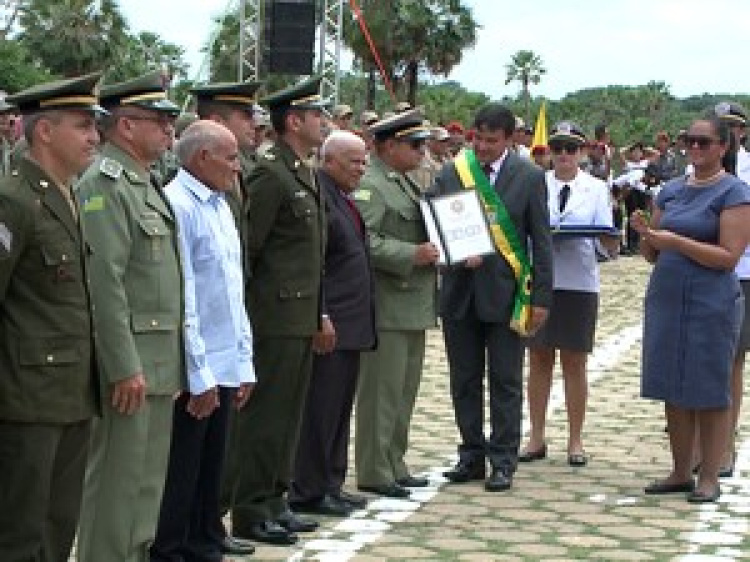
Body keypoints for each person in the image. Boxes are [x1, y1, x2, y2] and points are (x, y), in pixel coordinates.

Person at [76, 71, 185, 562]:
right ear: (125, 127)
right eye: (159, 121)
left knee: (144, 490)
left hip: (158, 361)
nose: (169, 130)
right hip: (133, 364)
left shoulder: (145, 182)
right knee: (115, 493)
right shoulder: (105, 183)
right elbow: (105, 281)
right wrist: (122, 364)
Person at [0, 73, 102, 562]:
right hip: (24, 400)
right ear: (44, 131)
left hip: (70, 390)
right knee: (20, 532)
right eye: (83, 126)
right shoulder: (14, 200)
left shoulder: (67, 194)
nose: (94, 137)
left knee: (58, 527)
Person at [225, 76, 327, 547]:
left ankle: (274, 498)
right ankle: (250, 508)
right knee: (264, 418)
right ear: (294, 121)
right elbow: (251, 250)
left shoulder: (301, 170)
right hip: (273, 316)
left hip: (299, 315)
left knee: (287, 415)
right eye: (316, 115)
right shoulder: (270, 173)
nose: (323, 122)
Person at [150, 120, 256, 562]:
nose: (238, 166)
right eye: (230, 157)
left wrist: (243, 363)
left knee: (212, 464)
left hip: (224, 357)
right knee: (183, 468)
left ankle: (206, 539)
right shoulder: (179, 205)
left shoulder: (220, 204)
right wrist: (200, 372)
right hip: (197, 363)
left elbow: (233, 290)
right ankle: (173, 548)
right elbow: (186, 296)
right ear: (201, 158)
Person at [436, 103, 553, 492]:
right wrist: (452, 253)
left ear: (509, 139)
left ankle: (503, 459)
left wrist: (542, 298)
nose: (482, 147)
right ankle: (471, 455)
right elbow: (434, 222)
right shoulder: (454, 171)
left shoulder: (530, 176)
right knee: (464, 379)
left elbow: (542, 240)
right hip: (459, 292)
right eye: (478, 139)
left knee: (505, 380)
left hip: (507, 294)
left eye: (491, 141)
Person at [634, 115, 750, 504]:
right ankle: (680, 470)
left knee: (709, 385)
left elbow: (728, 257)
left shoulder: (734, 193)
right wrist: (647, 236)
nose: (695, 148)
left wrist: (676, 242)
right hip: (667, 293)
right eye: (690, 140)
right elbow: (653, 253)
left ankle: (710, 475)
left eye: (704, 141)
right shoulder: (670, 190)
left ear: (722, 147)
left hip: (711, 297)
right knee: (671, 382)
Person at [352, 109, 439, 499]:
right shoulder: (371, 185)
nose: (422, 151)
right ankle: (374, 468)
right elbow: (363, 241)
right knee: (380, 394)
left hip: (412, 304)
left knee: (404, 392)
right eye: (414, 144)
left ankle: (394, 461)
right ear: (388, 146)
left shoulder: (403, 184)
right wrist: (411, 254)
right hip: (387, 302)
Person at [289, 130, 376, 517]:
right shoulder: (320, 197)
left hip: (352, 324)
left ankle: (331, 483)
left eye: (363, 161)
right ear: (329, 161)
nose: (362, 168)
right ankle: (309, 487)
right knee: (320, 412)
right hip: (331, 325)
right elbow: (313, 265)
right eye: (354, 161)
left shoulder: (343, 198)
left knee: (340, 409)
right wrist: (319, 314)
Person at [521, 122, 618, 467]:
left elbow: (606, 238)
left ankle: (576, 439)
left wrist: (612, 241)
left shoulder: (595, 188)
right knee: (539, 359)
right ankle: (536, 436)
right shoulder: (535, 183)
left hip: (579, 279)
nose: (563, 154)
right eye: (557, 147)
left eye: (571, 148)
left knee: (575, 362)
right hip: (542, 280)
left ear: (581, 153)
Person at [712, 101, 750, 478]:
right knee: (704, 358)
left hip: (743, 273)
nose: (729, 134)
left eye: (734, 128)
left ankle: (725, 441)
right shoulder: (697, 170)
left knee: (732, 360)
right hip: (704, 272)